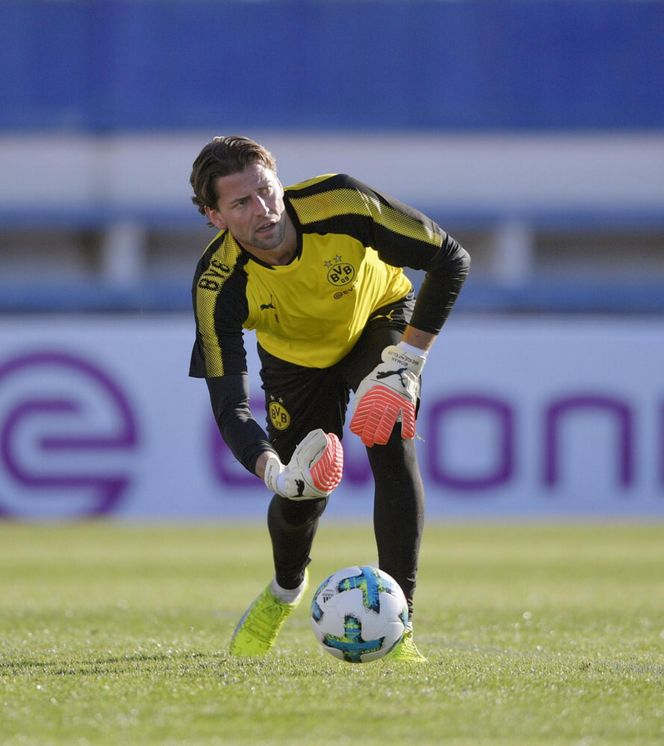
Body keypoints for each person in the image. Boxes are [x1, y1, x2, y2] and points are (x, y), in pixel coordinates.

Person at [189, 135, 470, 662]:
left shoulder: (341, 202)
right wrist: (275, 472)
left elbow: (451, 259)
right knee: (303, 496)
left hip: (378, 321)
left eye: (266, 191)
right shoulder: (216, 285)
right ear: (215, 216)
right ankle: (284, 592)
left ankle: (398, 621)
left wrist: (406, 363)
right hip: (295, 361)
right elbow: (230, 405)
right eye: (241, 203)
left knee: (389, 437)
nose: (264, 210)